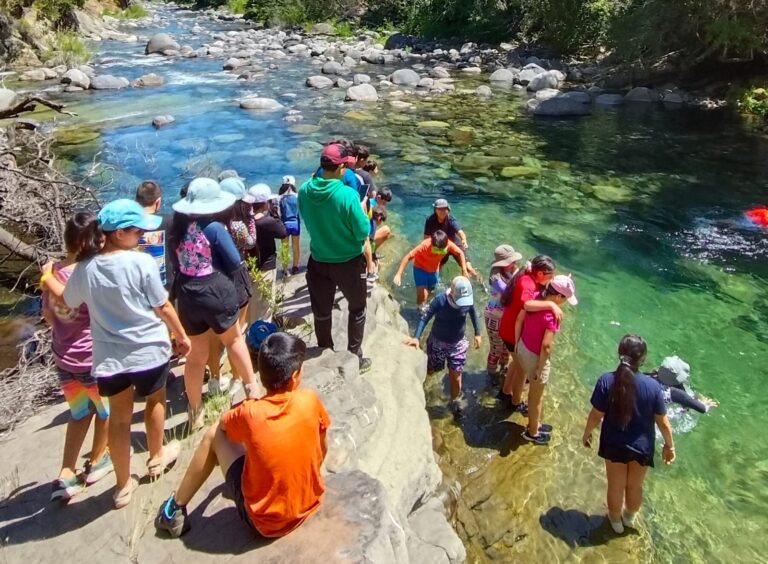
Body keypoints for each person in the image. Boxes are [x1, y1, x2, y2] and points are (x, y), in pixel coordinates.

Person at [46, 199, 190, 508]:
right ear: (119, 233)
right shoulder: (141, 262)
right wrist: (181, 335)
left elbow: (69, 302)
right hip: (148, 348)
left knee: (120, 420)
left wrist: (49, 278)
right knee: (155, 401)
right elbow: (162, 305)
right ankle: (156, 457)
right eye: (137, 231)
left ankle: (123, 486)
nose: (141, 236)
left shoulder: (85, 269)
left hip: (110, 358)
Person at [155, 332, 330, 539]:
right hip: (309, 501)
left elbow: (223, 427)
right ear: (294, 377)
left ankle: (174, 509)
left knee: (213, 435)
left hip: (266, 524)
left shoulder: (250, 413)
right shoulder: (309, 400)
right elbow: (323, 448)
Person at [171, 178, 258, 430]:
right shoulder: (215, 228)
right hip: (215, 290)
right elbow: (233, 261)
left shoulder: (176, 226)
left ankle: (195, 411)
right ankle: (253, 391)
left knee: (196, 355)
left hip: (187, 293)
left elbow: (174, 263)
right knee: (234, 340)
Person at [41, 212, 111, 502]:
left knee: (79, 413)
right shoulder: (86, 274)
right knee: (106, 411)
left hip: (63, 357)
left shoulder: (53, 271)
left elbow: (47, 315)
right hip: (90, 358)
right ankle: (98, 461)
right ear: (85, 241)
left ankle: (66, 472)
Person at [582, 334, 676, 534]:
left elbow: (596, 415)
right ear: (642, 359)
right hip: (642, 446)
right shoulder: (653, 387)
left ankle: (615, 522)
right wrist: (669, 446)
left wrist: (587, 433)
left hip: (614, 443)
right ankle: (629, 517)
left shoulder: (606, 381)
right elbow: (663, 423)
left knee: (615, 486)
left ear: (619, 353)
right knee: (635, 487)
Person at [299, 143, 372, 373]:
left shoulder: (304, 191)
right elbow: (362, 232)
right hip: (348, 262)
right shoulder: (347, 195)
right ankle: (354, 356)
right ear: (341, 168)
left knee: (321, 311)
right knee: (358, 307)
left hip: (318, 260)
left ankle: (325, 349)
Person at [514, 275, 578, 445]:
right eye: (565, 299)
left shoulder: (536, 298)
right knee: (536, 398)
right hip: (535, 357)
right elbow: (546, 347)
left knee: (533, 392)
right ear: (558, 297)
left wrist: (517, 344)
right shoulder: (553, 316)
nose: (564, 302)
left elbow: (520, 319)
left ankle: (535, 422)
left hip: (522, 348)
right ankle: (533, 432)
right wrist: (541, 368)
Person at [404, 276, 481, 413]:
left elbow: (473, 313)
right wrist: (416, 337)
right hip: (437, 342)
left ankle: (454, 401)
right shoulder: (440, 300)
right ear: (451, 293)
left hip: (458, 344)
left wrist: (477, 333)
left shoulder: (467, 301)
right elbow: (425, 317)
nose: (463, 304)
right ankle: (427, 389)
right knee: (432, 370)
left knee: (456, 378)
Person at [497, 255, 560, 412]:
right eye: (550, 276)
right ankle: (515, 402)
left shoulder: (530, 277)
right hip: (512, 332)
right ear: (540, 274)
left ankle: (505, 392)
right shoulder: (527, 283)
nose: (551, 279)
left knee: (516, 362)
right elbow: (527, 303)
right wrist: (551, 304)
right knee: (522, 369)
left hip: (508, 328)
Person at [213, 176, 257, 393]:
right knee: (238, 331)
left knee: (215, 333)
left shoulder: (207, 224)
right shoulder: (237, 224)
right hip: (236, 278)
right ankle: (237, 378)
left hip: (212, 280)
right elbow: (250, 242)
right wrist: (250, 218)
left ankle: (214, 377)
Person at [246, 183, 288, 322]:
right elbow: (283, 232)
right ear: (265, 203)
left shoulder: (245, 220)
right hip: (265, 269)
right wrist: (275, 211)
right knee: (264, 309)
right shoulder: (267, 222)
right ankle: (263, 339)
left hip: (248, 267)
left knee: (250, 308)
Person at [393, 230, 469, 306]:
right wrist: (399, 274)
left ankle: (425, 307)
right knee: (423, 295)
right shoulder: (424, 245)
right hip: (420, 269)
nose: (439, 253)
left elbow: (460, 253)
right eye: (436, 250)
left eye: (442, 251)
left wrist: (464, 270)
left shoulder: (448, 244)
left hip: (434, 271)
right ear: (432, 244)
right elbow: (408, 257)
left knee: (430, 293)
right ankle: (419, 310)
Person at [483, 245, 523, 378]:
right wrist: (520, 273)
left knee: (506, 349)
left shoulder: (511, 270)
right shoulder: (495, 276)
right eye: (510, 261)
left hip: (505, 317)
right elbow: (508, 293)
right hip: (493, 317)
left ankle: (503, 370)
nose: (514, 263)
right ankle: (491, 376)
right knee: (496, 349)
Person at [135, 180, 174, 291]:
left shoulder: (128, 225)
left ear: (136, 201)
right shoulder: (169, 221)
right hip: (164, 287)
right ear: (158, 202)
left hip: (137, 286)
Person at [651, 356, 718, 415]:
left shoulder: (648, 377)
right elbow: (703, 409)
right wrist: (706, 404)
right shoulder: (674, 393)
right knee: (685, 409)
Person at [423, 199, 470, 271]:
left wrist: (464, 240)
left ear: (448, 210)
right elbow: (426, 237)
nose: (442, 211)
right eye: (439, 209)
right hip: (441, 245)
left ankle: (479, 279)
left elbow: (460, 232)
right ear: (435, 210)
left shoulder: (451, 220)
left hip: (454, 243)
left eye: (444, 209)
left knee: (468, 268)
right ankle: (437, 280)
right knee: (437, 267)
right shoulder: (430, 220)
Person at [278, 175, 301, 276]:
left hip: (284, 225)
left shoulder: (279, 198)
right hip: (295, 224)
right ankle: (295, 267)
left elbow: (278, 214)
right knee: (296, 246)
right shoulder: (297, 196)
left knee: (284, 248)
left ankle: (285, 269)